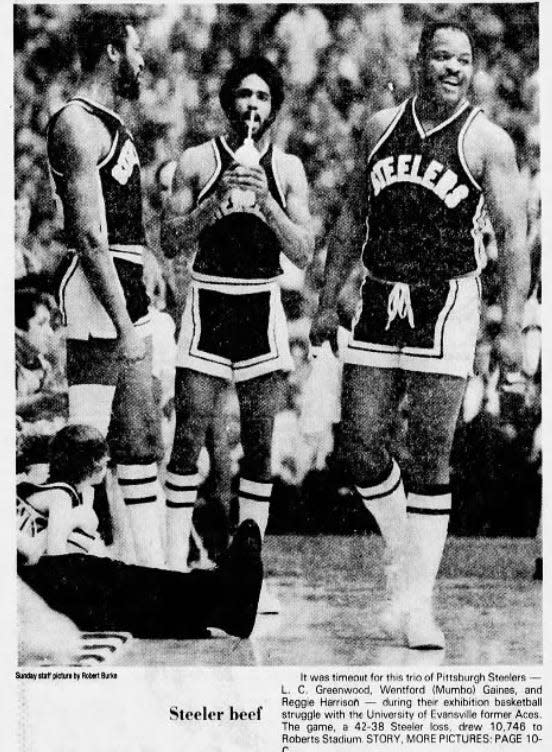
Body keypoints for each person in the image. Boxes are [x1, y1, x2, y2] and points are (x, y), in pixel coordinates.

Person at [311, 21, 528, 649]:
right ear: (419, 61)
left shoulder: (488, 141)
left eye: (463, 59)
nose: (453, 68)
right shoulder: (380, 127)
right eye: (441, 56)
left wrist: (510, 325)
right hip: (380, 294)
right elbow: (352, 214)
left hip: (449, 300)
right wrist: (328, 300)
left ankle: (417, 604)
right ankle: (408, 557)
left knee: (430, 453)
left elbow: (513, 239)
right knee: (358, 448)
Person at [161, 56, 314, 576]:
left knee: (259, 443)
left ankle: (249, 570)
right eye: (245, 94)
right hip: (209, 303)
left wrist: (267, 203)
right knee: (189, 435)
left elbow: (303, 251)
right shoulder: (197, 160)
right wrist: (215, 199)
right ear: (229, 100)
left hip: (260, 305)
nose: (253, 105)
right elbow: (170, 238)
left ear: (274, 106)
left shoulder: (288, 168)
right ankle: (169, 563)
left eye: (263, 96)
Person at [46, 10, 164, 566]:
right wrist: (123, 326)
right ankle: (64, 561)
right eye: (136, 49)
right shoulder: (75, 122)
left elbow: (120, 226)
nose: (142, 61)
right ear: (113, 51)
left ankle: (151, 569)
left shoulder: (113, 124)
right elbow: (90, 237)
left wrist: (150, 262)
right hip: (98, 295)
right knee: (86, 448)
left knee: (140, 442)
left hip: (126, 286)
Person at [18, 425, 264, 640]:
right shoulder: (59, 496)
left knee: (118, 579)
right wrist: (76, 519)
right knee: (109, 581)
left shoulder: (49, 493)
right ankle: (221, 599)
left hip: (34, 577)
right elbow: (53, 556)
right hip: (38, 578)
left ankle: (220, 598)